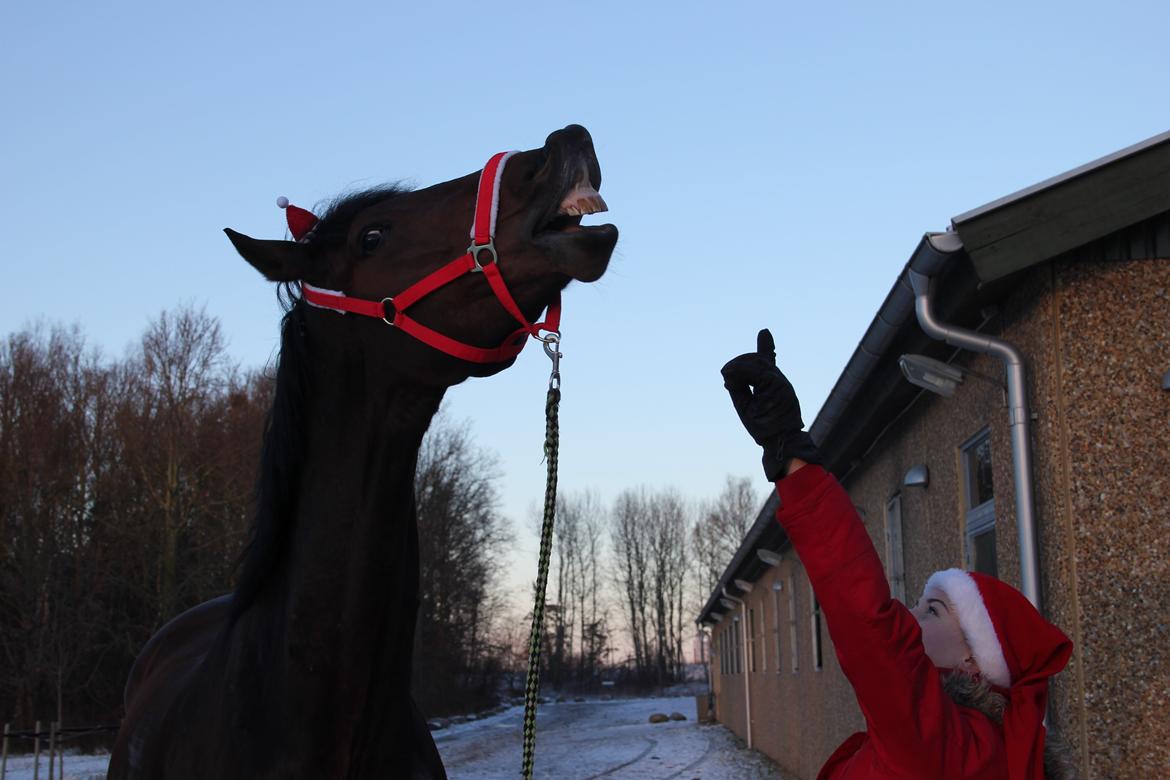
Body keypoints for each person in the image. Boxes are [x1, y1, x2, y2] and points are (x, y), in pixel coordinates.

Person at [721, 329, 1076, 780]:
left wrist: (792, 456)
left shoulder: (947, 748)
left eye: (932, 610)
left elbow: (870, 622)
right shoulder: (974, 747)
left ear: (973, 661)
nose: (910, 614)